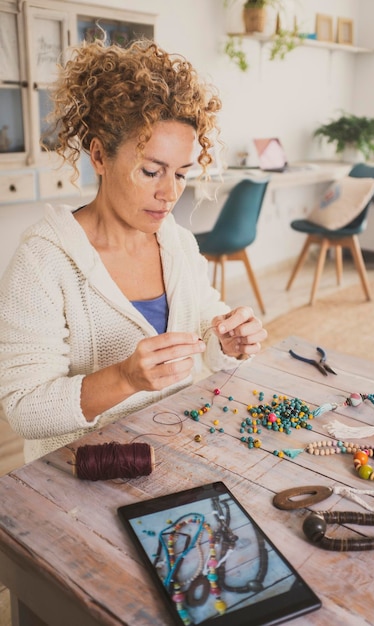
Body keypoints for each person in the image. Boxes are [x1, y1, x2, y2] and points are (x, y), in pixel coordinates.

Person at [0, 38, 267, 463]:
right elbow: (23, 410)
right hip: (80, 468)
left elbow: (203, 322)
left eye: (181, 174)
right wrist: (124, 378)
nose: (169, 193)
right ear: (100, 156)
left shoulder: (177, 243)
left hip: (178, 446)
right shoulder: (44, 260)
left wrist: (227, 338)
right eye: (150, 171)